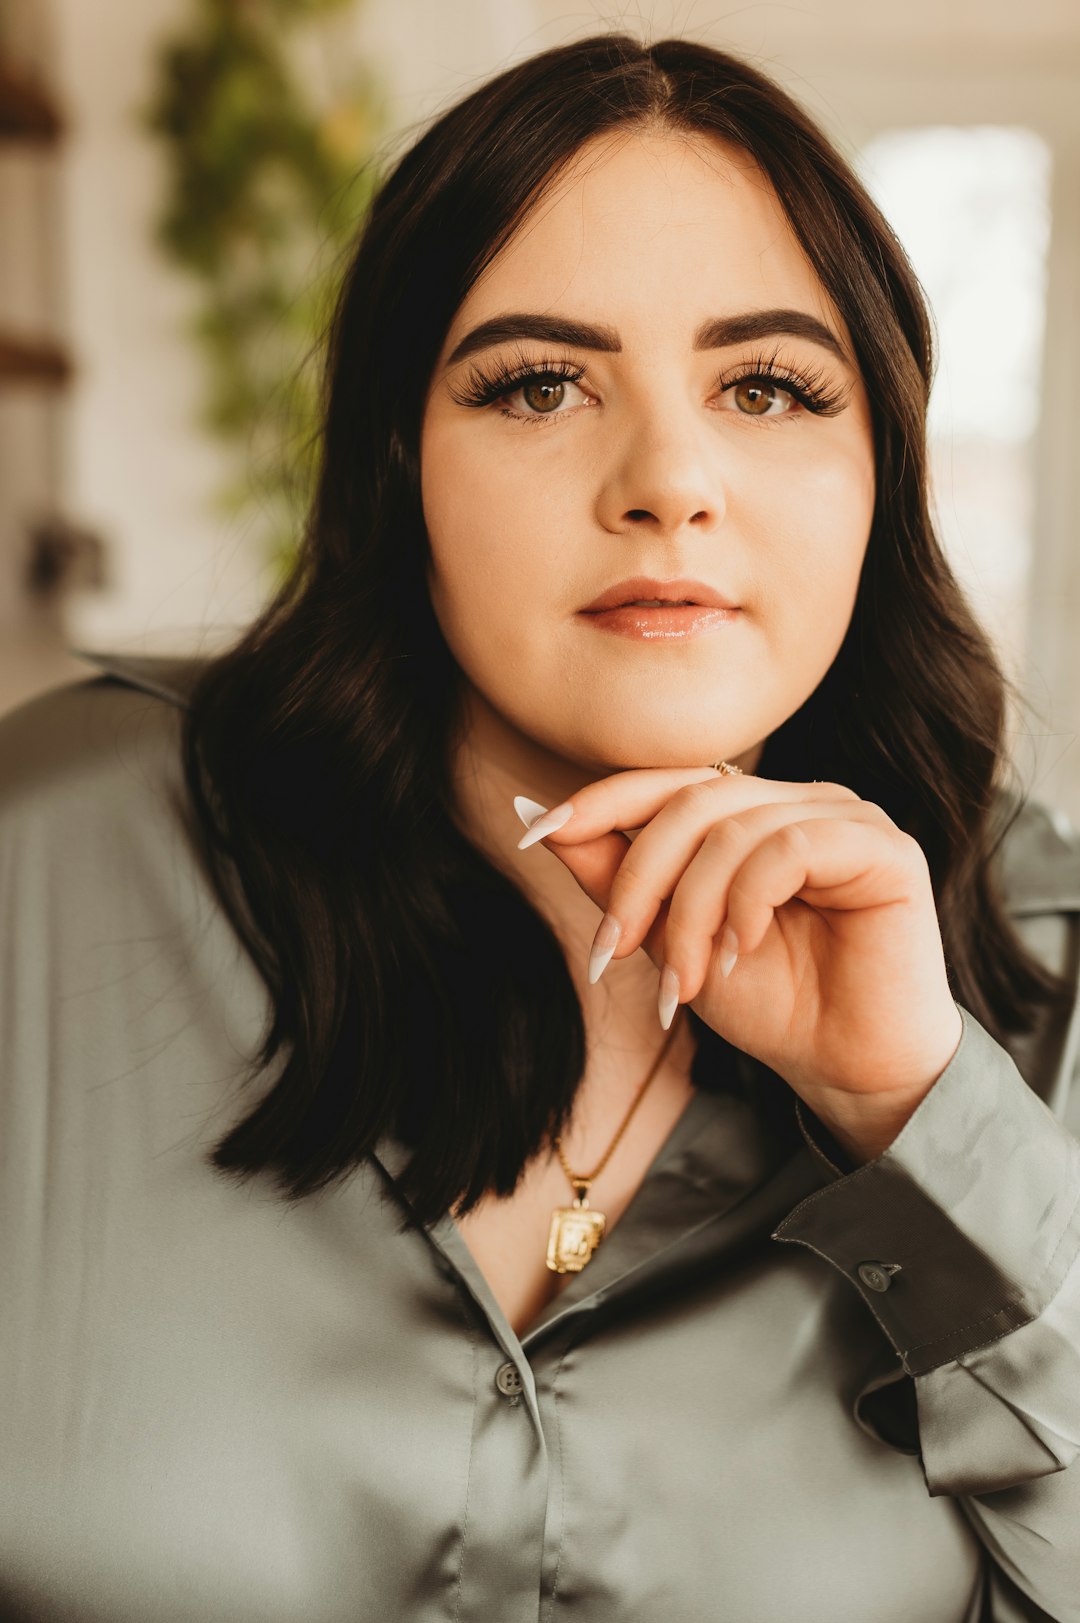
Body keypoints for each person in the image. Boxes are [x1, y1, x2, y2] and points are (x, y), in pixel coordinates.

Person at [2, 29, 1079, 1623]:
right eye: (539, 384)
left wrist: (915, 1113)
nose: (668, 479)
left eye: (769, 385)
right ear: (398, 467)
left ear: (880, 475)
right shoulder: (52, 851)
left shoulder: (1031, 960)